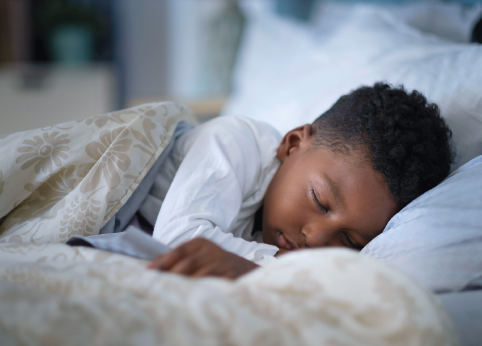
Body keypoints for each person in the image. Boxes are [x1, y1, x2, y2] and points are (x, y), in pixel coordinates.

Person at [147, 82, 454, 279]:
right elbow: (174, 241)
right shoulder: (234, 142)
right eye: (319, 201)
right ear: (293, 144)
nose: (317, 240)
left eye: (349, 241)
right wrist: (267, 266)